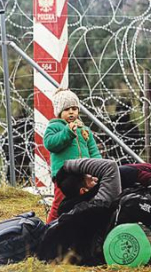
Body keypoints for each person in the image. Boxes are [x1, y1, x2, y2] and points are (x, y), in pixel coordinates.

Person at [37, 158, 121, 265]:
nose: (96, 179)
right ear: (84, 191)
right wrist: (67, 165)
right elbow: (110, 166)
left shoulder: (70, 209)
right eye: (90, 180)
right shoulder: (102, 201)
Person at [44, 88, 101, 223]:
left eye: (74, 108)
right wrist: (68, 132)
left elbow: (93, 150)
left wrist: (98, 167)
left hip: (83, 174)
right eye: (67, 109)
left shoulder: (84, 130)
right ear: (59, 112)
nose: (71, 112)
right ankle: (47, 229)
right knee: (60, 203)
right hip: (64, 176)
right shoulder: (55, 127)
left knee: (82, 201)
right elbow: (50, 144)